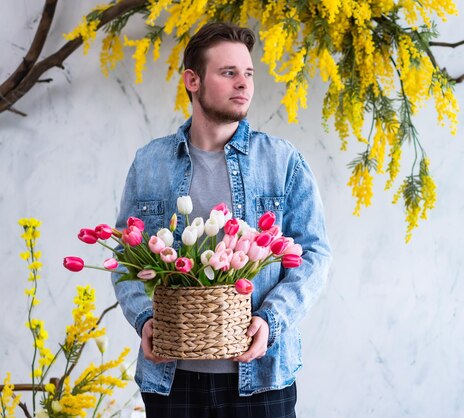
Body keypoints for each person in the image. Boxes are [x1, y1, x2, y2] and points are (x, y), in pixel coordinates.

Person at [111, 22, 332, 418]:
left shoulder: (282, 161)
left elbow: (314, 254)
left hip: (261, 378)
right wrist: (145, 320)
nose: (243, 84)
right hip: (170, 380)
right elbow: (127, 257)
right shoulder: (150, 163)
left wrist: (271, 319)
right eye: (228, 73)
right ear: (192, 80)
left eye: (248, 73)